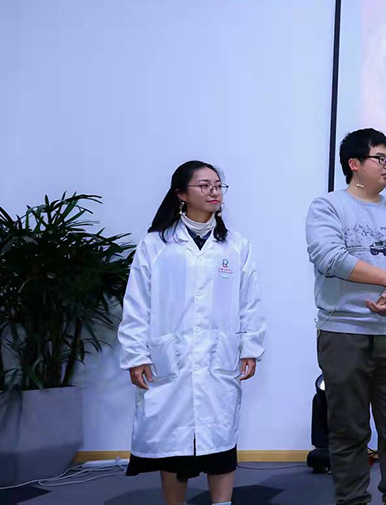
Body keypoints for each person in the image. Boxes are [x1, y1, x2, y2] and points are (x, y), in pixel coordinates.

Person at [118, 160, 265, 505]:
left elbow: (250, 301)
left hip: (218, 359)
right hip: (169, 361)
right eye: (205, 185)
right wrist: (136, 355)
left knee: (220, 444)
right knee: (173, 448)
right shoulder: (155, 245)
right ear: (181, 194)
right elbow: (137, 304)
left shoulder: (236, 246)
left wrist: (250, 346)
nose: (215, 191)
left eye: (218, 185)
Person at [306, 128, 386, 505]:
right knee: (348, 429)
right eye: (381, 158)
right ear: (354, 164)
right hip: (343, 331)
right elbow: (329, 257)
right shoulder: (328, 206)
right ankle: (352, 500)